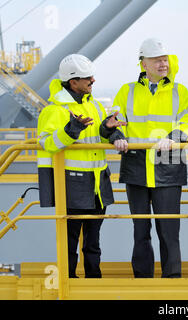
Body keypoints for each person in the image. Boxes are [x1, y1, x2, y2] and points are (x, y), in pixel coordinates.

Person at [108, 38, 188, 278]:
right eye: (156, 59)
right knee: (140, 230)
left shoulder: (180, 91)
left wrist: (174, 137)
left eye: (165, 59)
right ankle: (142, 280)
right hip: (136, 168)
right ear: (143, 64)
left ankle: (172, 280)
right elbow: (113, 121)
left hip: (167, 167)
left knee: (169, 231)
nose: (163, 63)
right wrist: (116, 134)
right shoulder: (127, 91)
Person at [37, 54, 127, 278]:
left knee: (93, 240)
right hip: (71, 183)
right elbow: (47, 143)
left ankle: (93, 279)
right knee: (69, 239)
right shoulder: (55, 110)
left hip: (97, 183)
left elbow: (99, 135)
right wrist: (71, 129)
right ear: (73, 82)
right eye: (87, 78)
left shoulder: (95, 106)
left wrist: (109, 129)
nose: (93, 81)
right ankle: (68, 281)